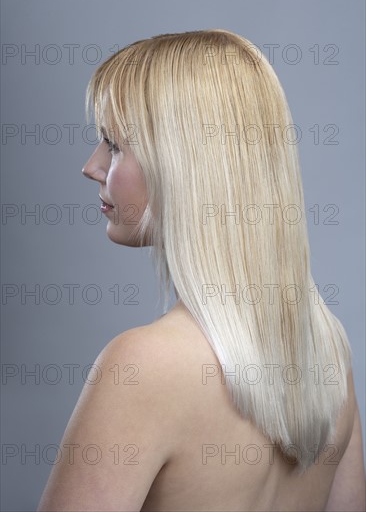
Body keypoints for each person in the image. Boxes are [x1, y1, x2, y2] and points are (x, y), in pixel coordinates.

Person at [37, 29, 365, 511]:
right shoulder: (328, 351)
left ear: (182, 163)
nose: (91, 166)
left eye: (113, 143)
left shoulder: (141, 365)